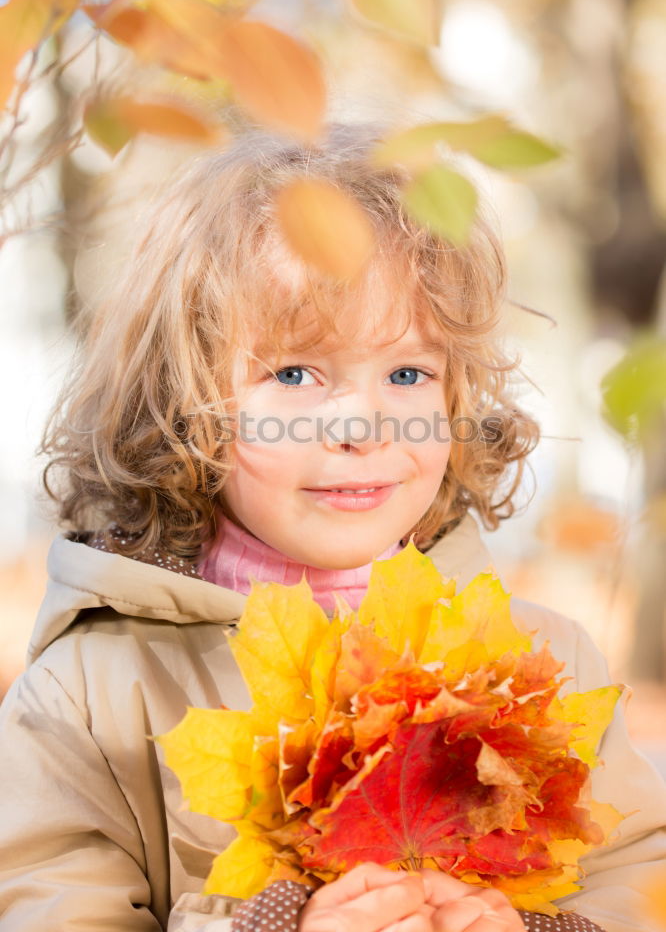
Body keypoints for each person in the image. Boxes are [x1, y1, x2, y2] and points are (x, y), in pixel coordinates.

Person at [0, 125, 664, 932]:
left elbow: (636, 872)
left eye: (408, 373)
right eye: (294, 373)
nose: (363, 426)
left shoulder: (538, 662)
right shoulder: (91, 694)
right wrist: (274, 925)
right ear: (182, 407)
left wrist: (540, 928)